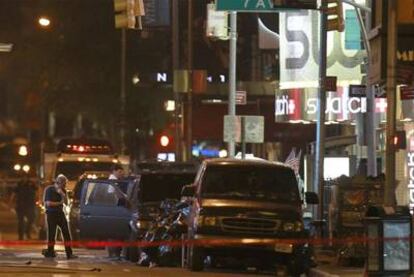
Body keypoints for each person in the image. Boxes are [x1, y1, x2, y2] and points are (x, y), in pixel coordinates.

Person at [42, 174, 77, 259]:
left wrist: (63, 194)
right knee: (52, 234)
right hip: (51, 214)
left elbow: (66, 203)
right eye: (64, 184)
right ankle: (50, 252)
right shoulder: (49, 189)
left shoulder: (63, 191)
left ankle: (69, 253)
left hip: (60, 214)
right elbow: (48, 203)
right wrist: (59, 203)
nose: (65, 185)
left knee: (66, 233)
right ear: (59, 182)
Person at [10, 174, 37, 240]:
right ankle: (21, 236)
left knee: (31, 219)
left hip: (30, 205)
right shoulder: (19, 184)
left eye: (26, 177)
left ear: (28, 178)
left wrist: (38, 198)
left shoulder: (31, 184)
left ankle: (27, 232)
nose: (25, 178)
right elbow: (13, 193)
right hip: (20, 205)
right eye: (23, 177)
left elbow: (37, 190)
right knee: (20, 221)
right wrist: (10, 201)